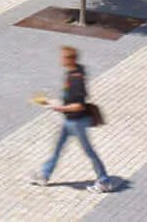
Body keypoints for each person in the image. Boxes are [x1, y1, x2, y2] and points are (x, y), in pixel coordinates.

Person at [32, 45, 116, 192]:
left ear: (69, 59)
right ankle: (44, 175)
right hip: (68, 120)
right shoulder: (73, 72)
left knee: (88, 151)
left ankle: (104, 180)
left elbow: (78, 106)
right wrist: (51, 102)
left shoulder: (76, 80)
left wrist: (60, 108)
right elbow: (69, 101)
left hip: (77, 122)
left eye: (63, 57)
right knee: (58, 148)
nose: (60, 59)